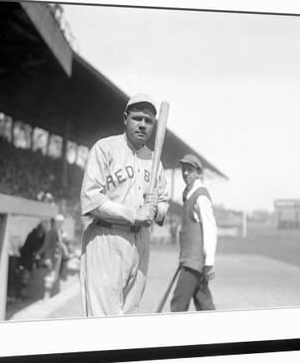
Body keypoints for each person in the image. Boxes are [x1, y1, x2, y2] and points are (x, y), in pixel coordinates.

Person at [79, 93, 169, 316]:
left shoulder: (155, 160)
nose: (142, 125)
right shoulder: (105, 148)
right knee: (103, 320)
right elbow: (91, 199)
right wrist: (133, 214)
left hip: (140, 242)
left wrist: (156, 208)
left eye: (148, 121)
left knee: (130, 319)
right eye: (137, 118)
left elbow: (164, 204)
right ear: (125, 118)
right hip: (106, 237)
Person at [170, 154, 218, 312]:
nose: (185, 173)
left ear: (198, 172)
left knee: (178, 305)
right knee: (204, 304)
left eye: (189, 170)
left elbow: (210, 229)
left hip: (194, 263)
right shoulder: (189, 193)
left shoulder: (201, 195)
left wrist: (209, 262)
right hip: (190, 260)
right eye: (183, 169)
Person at [42, 214, 66, 299]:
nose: (61, 224)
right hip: (52, 257)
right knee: (50, 276)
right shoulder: (51, 232)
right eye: (59, 222)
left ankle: (53, 293)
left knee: (55, 275)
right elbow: (47, 246)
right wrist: (48, 258)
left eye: (62, 222)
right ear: (56, 222)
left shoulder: (61, 231)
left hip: (58, 258)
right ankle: (47, 295)